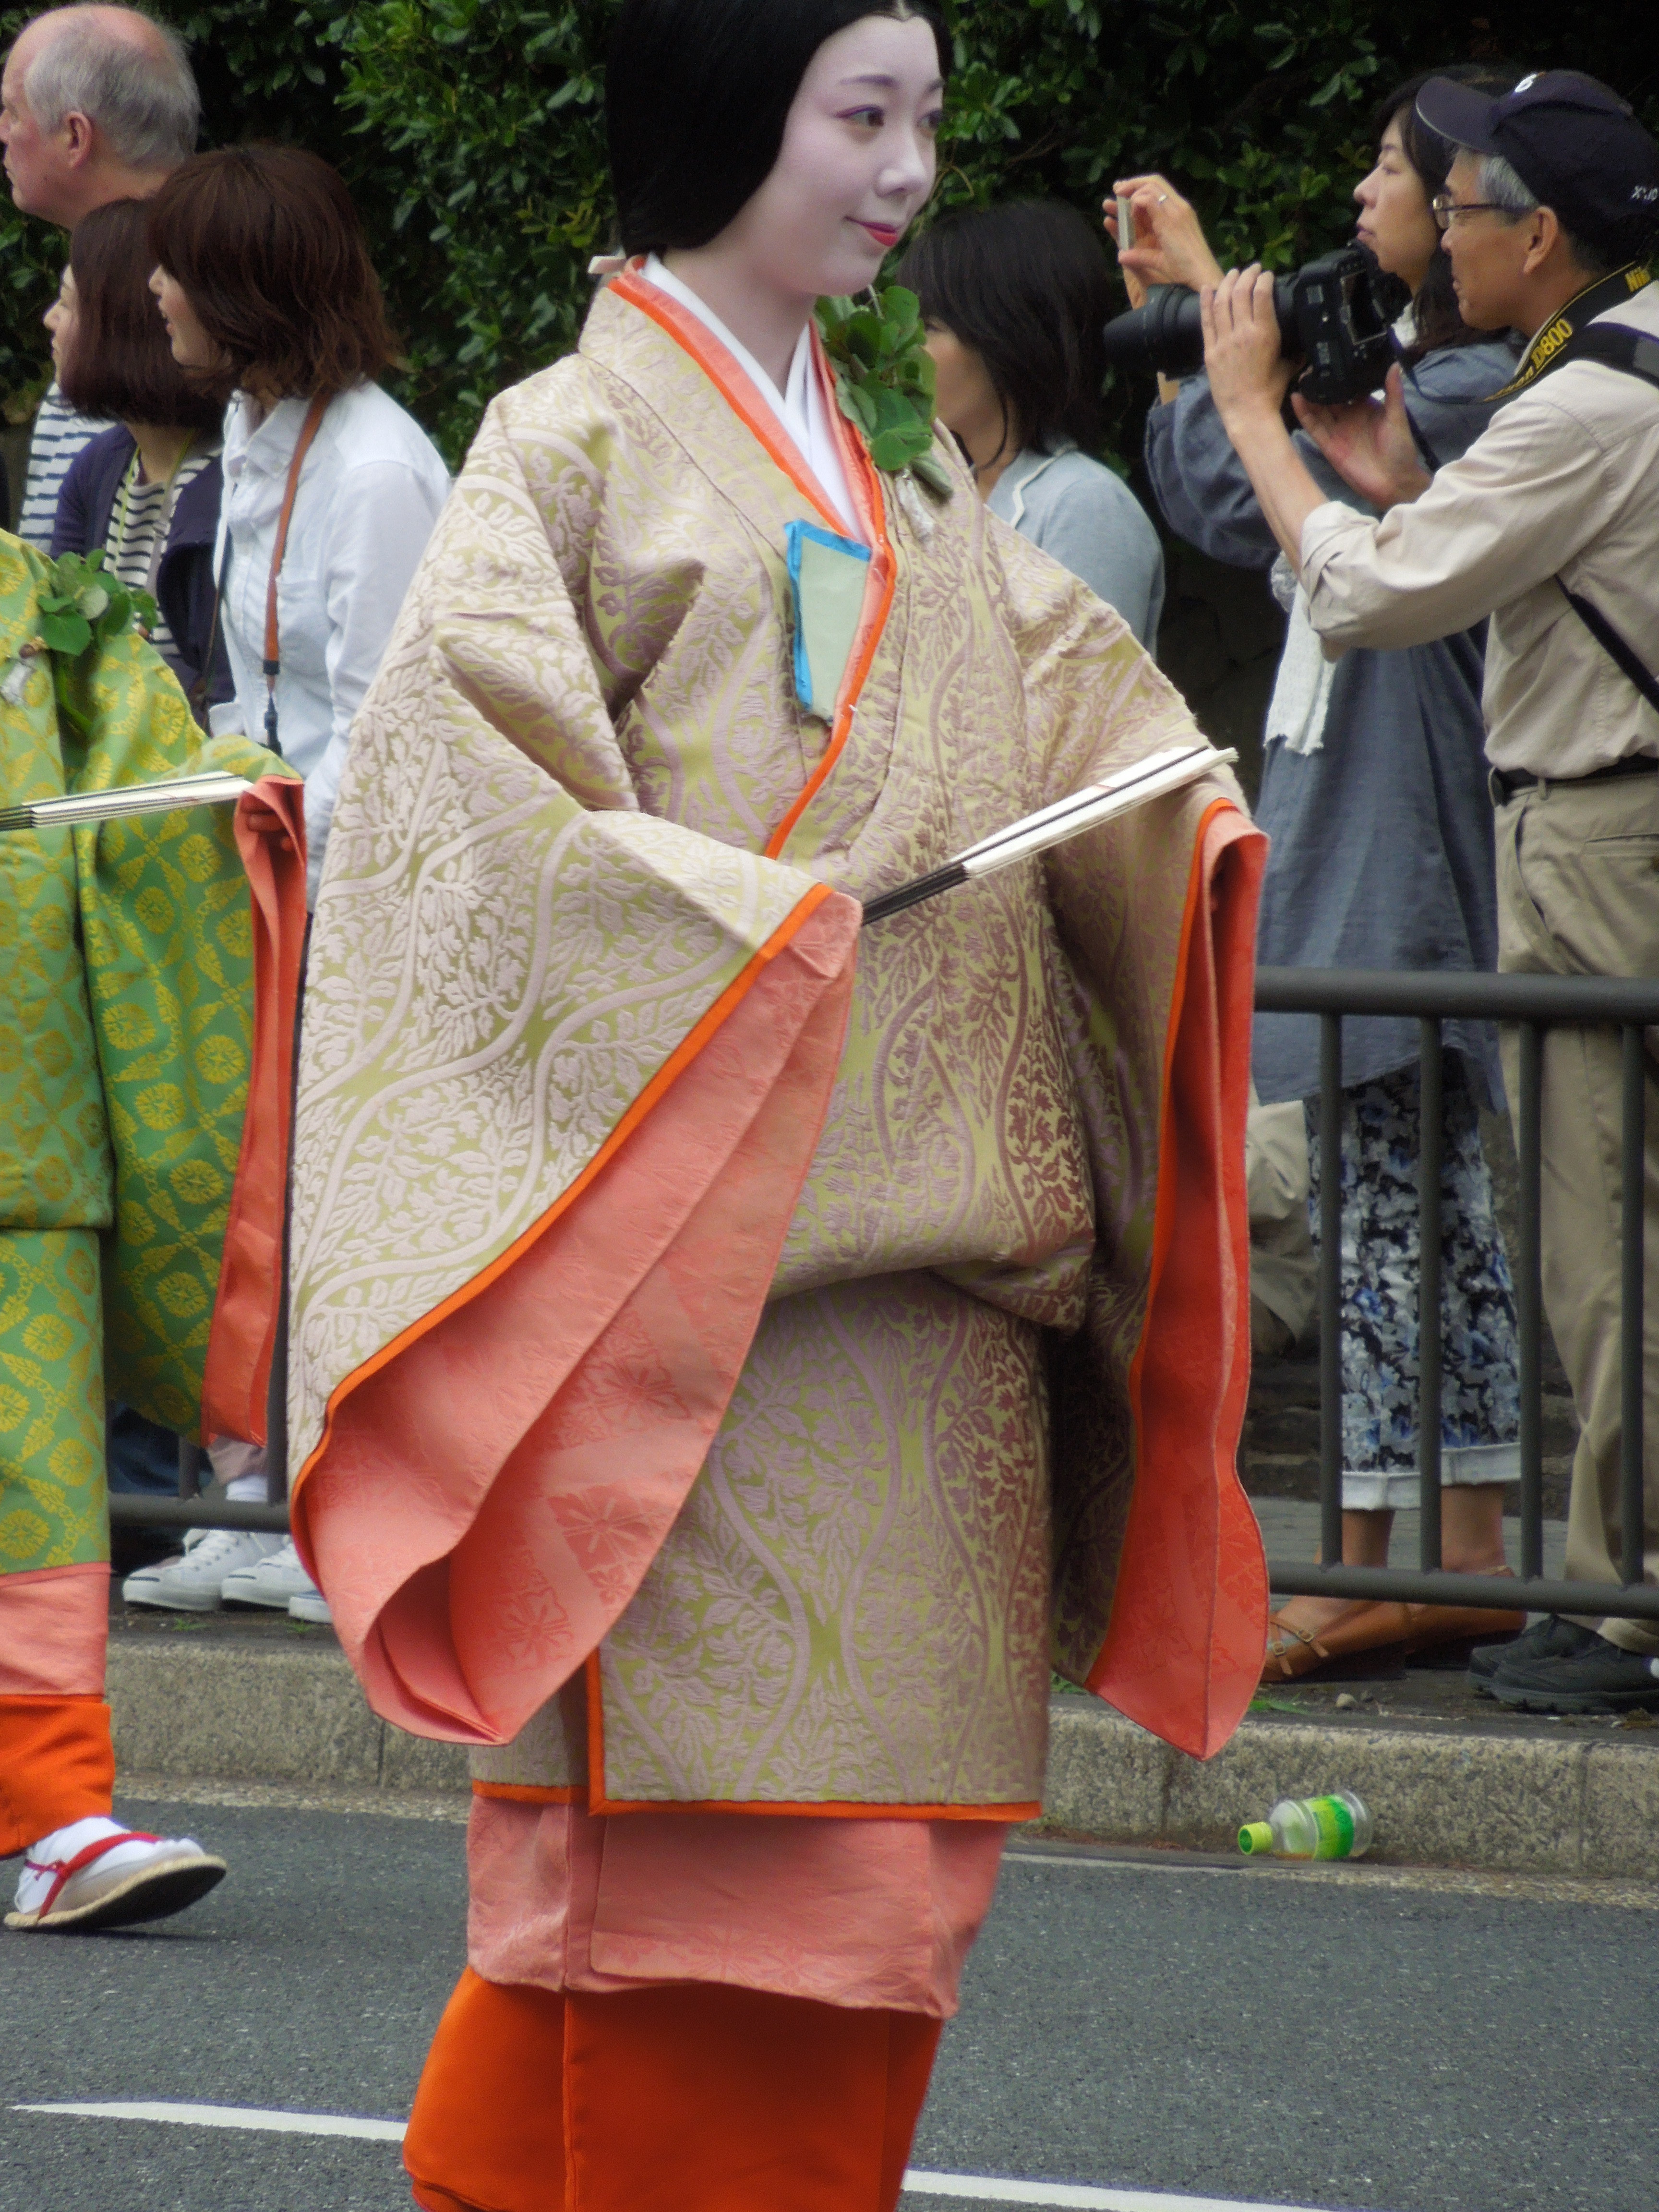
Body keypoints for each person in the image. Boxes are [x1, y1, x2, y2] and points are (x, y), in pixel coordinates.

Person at [280, 0, 1266, 2202]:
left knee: (865, 1905)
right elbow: (474, 847)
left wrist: (1168, 827)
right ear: (732, 116)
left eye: (922, 117)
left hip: (926, 1319)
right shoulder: (568, 444)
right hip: (703, 1307)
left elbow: (1075, 745)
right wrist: (758, 953)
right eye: (860, 116)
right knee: (718, 1929)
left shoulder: (897, 478)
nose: (907, 166)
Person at [1198, 70, 1659, 1715]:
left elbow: (1383, 591)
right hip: (1574, 832)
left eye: (1459, 207)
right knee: (1586, 1223)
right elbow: (1435, 522)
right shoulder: (1597, 372)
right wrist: (1367, 465)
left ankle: (1620, 1603)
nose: (1439, 232)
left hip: (1592, 834)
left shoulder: (1578, 402)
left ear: (1539, 232)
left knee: (1603, 1229)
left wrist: (1253, 415)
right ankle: (1594, 1580)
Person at [1116, 67, 1528, 1680]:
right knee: (1389, 1211)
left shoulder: (1484, 390)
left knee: (1414, 1215)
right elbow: (1238, 503)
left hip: (1405, 829)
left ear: (1471, 211)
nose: (1363, 192)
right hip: (1355, 819)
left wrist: (1237, 382)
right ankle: (1394, 1553)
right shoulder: (1413, 372)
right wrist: (1188, 320)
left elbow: (1287, 500)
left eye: (1388, 169)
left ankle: (1440, 1557)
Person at [125, 142, 451, 1625]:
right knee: (256, 1189)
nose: (154, 291)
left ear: (244, 291)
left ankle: (327, 1514)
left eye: (178, 265)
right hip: (270, 873)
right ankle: (252, 1500)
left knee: (328, 1200)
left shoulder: (379, 467)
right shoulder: (260, 426)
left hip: (350, 894)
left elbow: (398, 730)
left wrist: (253, 795)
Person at [1, 522, 307, 1931]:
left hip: (28, 1108)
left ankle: (53, 1811)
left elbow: (150, 789)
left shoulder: (32, 595)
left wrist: (240, 797)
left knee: (36, 1475)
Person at [897, 197, 1165, 645]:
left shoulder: (1084, 505)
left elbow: (1087, 703)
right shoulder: (940, 492)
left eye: (929, 328)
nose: (907, 350)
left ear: (1005, 337)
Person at [0, 3, 200, 547]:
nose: (3, 133)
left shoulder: (190, 297)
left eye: (12, 112)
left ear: (74, 137)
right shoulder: (139, 270)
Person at [47, 195, 228, 711]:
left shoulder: (228, 485)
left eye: (67, 303)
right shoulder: (101, 468)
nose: (49, 320)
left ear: (125, 324)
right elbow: (58, 645)